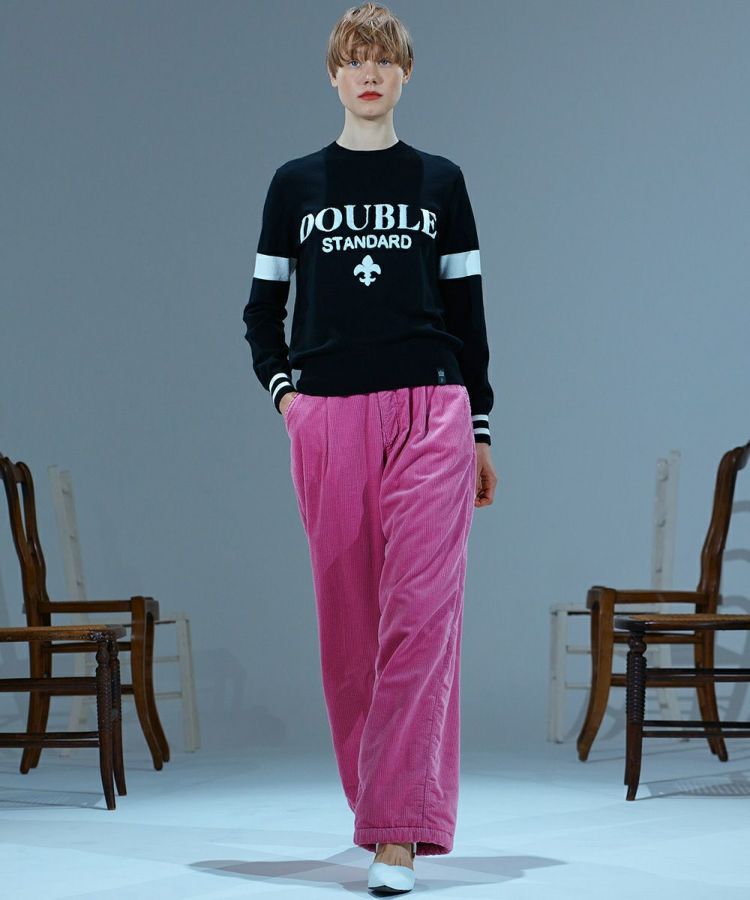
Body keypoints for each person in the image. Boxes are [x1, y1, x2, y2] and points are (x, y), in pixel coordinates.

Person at [243, 2, 497, 893]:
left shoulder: (441, 182)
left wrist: (479, 428)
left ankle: (396, 836)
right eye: (354, 59)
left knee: (422, 620)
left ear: (406, 74)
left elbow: (468, 316)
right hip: (329, 418)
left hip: (433, 409)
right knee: (351, 632)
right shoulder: (295, 185)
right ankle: (383, 806)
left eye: (384, 59)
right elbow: (261, 312)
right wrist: (290, 401)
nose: (369, 73)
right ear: (333, 75)